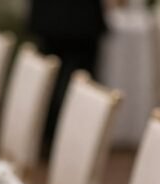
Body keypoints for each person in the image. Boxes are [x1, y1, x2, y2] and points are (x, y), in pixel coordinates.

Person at [28, 0, 108, 157]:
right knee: (73, 86)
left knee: (60, 84)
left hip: (52, 17)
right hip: (80, 19)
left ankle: (57, 141)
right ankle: (70, 143)